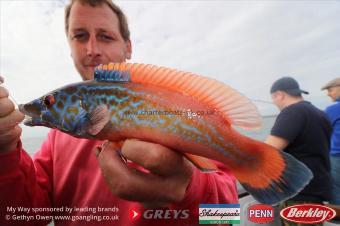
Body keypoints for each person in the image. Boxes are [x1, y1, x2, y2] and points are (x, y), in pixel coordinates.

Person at [0, 1, 238, 226]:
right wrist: (6, 153)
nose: (92, 49)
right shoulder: (56, 138)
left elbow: (228, 216)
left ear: (128, 47)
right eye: (80, 36)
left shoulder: (182, 110)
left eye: (105, 36)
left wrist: (191, 189)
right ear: (70, 47)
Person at [265, 77, 332, 226]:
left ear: (279, 95)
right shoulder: (320, 114)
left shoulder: (292, 112)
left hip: (299, 192)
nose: (275, 103)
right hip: (317, 187)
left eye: (274, 99)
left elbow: (268, 151)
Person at [322, 78, 340, 206]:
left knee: (335, 190)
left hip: (337, 157)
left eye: (330, 89)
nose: (328, 93)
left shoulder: (332, 109)